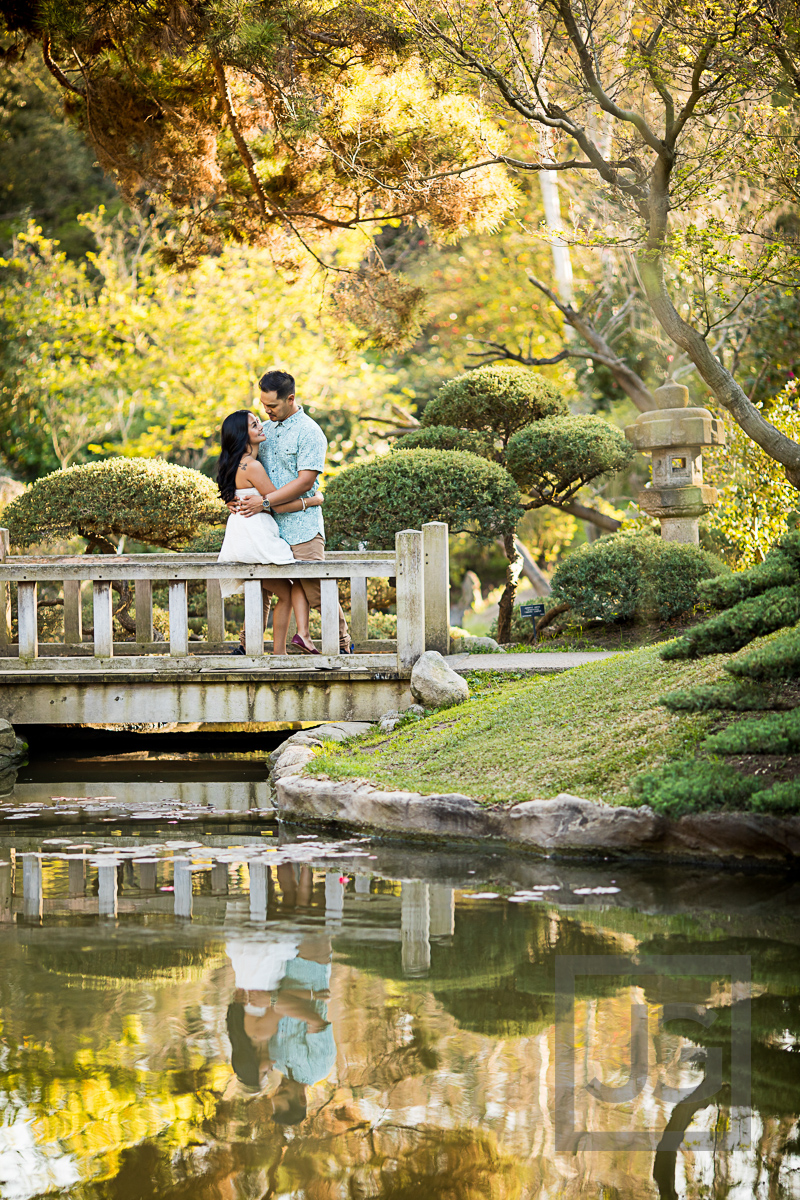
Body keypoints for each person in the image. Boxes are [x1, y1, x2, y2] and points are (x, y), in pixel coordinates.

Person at [230, 369, 351, 654]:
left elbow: (305, 481)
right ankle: (248, 647)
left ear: (291, 398)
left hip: (302, 527)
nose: (266, 411)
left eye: (272, 406)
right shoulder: (264, 431)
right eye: (263, 405)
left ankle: (343, 645)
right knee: (260, 587)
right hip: (266, 526)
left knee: (315, 589)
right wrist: (232, 496)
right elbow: (238, 461)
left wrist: (266, 501)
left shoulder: (310, 432)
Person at [216, 409, 321, 655]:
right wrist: (312, 501)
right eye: (254, 425)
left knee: (275, 588)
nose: (261, 426)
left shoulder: (234, 464)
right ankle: (280, 651)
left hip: (242, 535)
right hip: (256, 537)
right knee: (290, 589)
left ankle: (258, 647)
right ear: (243, 435)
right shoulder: (252, 467)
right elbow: (277, 503)